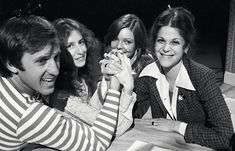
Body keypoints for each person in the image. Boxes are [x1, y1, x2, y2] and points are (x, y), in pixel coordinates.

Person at [0, 15, 121, 151]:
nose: (55, 70)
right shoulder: (30, 115)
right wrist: (114, 88)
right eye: (42, 60)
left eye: (56, 57)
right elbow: (97, 143)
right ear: (11, 63)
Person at [133, 7, 234, 150]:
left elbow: (224, 137)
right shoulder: (147, 75)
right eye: (161, 40)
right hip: (166, 145)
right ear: (154, 43)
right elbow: (135, 116)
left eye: (175, 42)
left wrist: (176, 126)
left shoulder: (203, 77)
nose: (166, 48)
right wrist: (125, 86)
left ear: (186, 47)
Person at [49, 18, 134, 137]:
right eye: (70, 46)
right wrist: (128, 88)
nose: (81, 50)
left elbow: (94, 110)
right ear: (58, 51)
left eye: (81, 42)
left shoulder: (80, 79)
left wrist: (107, 79)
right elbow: (116, 128)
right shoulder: (61, 96)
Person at [98, 14, 154, 135]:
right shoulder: (109, 63)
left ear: (137, 45)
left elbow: (130, 121)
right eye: (115, 39)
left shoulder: (148, 73)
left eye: (127, 42)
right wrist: (106, 80)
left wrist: (125, 84)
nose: (118, 46)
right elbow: (100, 111)